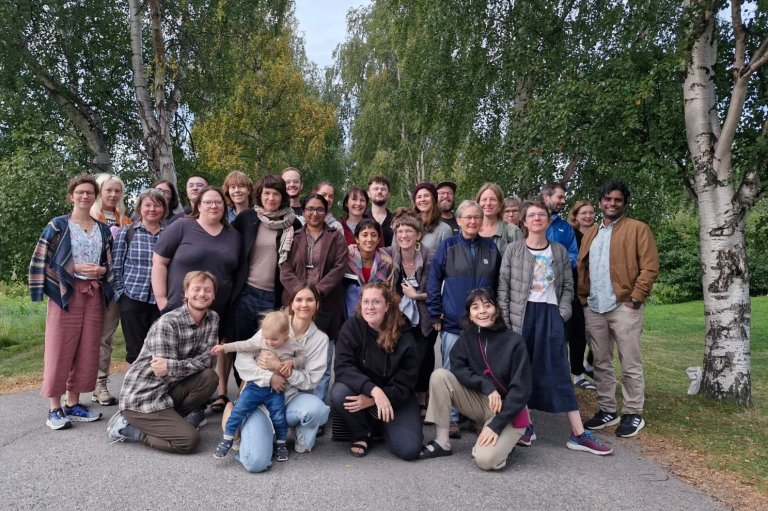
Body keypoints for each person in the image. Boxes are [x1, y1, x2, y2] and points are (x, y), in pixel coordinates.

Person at [497, 199, 612, 455]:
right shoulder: (514, 250)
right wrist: (506, 321)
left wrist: (562, 315)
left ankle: (579, 433)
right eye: (532, 216)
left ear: (548, 222)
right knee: (521, 370)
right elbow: (502, 287)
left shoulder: (558, 251)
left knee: (559, 369)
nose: (537, 219)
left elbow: (569, 286)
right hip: (522, 316)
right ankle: (525, 426)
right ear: (524, 222)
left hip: (550, 315)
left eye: (541, 215)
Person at [29, 174, 112, 429]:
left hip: (94, 293)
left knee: (87, 349)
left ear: (95, 196)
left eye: (89, 192)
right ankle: (54, 409)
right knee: (59, 348)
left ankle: (74, 404)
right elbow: (42, 258)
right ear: (71, 196)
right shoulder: (58, 225)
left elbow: (109, 263)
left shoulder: (103, 228)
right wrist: (71, 267)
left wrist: (103, 271)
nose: (85, 196)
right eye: (80, 192)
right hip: (66, 294)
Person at [105, 271, 220, 454]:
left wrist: (172, 365)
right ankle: (127, 428)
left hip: (169, 390)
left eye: (207, 290)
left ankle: (171, 422)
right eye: (196, 289)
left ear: (213, 296)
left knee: (209, 377)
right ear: (186, 294)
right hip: (143, 397)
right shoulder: (168, 323)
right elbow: (162, 372)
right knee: (189, 441)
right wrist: (174, 366)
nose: (202, 294)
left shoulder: (212, 319)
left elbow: (207, 361)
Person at [578, 179, 659, 438]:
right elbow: (583, 267)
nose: (612, 203)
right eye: (608, 199)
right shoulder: (591, 232)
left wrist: (636, 297)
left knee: (630, 362)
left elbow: (649, 267)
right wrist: (583, 298)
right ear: (601, 201)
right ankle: (607, 410)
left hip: (624, 305)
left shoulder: (638, 229)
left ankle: (633, 412)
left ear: (624, 203)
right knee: (601, 361)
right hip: (594, 306)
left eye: (618, 200)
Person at [418, 289, 532, 470]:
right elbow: (457, 365)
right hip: (483, 403)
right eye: (475, 307)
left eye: (487, 305)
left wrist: (496, 425)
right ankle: (442, 442)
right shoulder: (468, 337)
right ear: (470, 315)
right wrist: (486, 386)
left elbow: (521, 390)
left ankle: (503, 440)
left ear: (497, 310)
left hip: (509, 411)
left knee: (485, 460)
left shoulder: (515, 341)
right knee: (440, 376)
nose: (482, 311)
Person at [152, 185, 240, 413]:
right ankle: (163, 404)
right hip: (178, 307)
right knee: (174, 357)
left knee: (203, 358)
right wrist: (161, 298)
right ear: (198, 205)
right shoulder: (181, 226)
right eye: (208, 202)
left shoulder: (233, 235)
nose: (213, 206)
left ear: (225, 206)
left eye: (218, 202)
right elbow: (159, 262)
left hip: (216, 311)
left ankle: (195, 404)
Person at [234, 286, 330, 472]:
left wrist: (280, 368)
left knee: (317, 409)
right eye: (299, 300)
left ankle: (297, 434)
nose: (304, 304)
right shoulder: (275, 323)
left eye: (309, 300)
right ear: (291, 304)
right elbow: (243, 358)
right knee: (256, 463)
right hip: (260, 400)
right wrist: (269, 377)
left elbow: (311, 381)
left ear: (317, 305)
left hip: (291, 398)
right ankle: (251, 429)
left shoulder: (320, 339)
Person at [427, 200, 501, 438]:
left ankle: (477, 416)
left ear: (482, 221)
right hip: (453, 320)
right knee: (451, 369)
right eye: (467, 217)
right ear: (458, 221)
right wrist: (435, 311)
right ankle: (450, 419)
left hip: (484, 322)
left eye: (476, 217)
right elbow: (433, 280)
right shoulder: (448, 246)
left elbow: (499, 285)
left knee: (482, 370)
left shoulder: (490, 248)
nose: (472, 221)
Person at [228, 174, 299, 408]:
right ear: (260, 195)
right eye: (267, 193)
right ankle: (244, 396)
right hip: (246, 293)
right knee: (244, 348)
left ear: (283, 197)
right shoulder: (247, 218)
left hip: (273, 297)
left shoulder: (292, 224)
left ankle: (265, 397)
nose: (271, 198)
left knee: (269, 348)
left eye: (276, 193)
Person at [331, 282, 423, 459]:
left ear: (387, 306)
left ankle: (381, 425)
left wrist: (373, 400)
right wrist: (374, 391)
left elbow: (406, 383)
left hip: (396, 396)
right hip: (365, 389)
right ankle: (362, 432)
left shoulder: (405, 335)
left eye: (376, 302)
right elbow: (343, 367)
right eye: (366, 302)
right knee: (339, 393)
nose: (370, 307)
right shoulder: (352, 327)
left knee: (409, 449)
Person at [280, 194, 348, 403]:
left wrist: (316, 292)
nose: (314, 213)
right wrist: (301, 294)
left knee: (322, 359)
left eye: (319, 209)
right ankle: (292, 403)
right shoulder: (293, 235)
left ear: (326, 212)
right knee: (292, 355)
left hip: (326, 303)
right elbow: (284, 267)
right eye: (310, 209)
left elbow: (339, 266)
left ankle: (316, 405)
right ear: (304, 211)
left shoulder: (335, 236)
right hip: (296, 304)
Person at [212, 311, 304, 462]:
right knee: (239, 410)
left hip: (276, 389)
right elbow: (243, 345)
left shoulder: (292, 344)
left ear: (286, 334)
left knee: (279, 416)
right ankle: (227, 438)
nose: (268, 342)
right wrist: (224, 348)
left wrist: (292, 362)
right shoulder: (261, 339)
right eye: (266, 337)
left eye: (274, 339)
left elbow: (303, 357)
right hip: (256, 386)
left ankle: (281, 443)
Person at [90, 173, 134, 406]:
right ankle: (72, 386)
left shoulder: (125, 221)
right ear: (99, 191)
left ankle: (100, 384)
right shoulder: (88, 216)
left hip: (113, 286)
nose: (113, 194)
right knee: (83, 336)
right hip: (88, 285)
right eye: (109, 190)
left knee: (105, 337)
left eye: (117, 191)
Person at [113, 188, 167, 365]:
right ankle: (133, 391)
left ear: (163, 209)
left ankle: (155, 390)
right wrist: (121, 295)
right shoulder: (127, 233)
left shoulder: (170, 234)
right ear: (139, 208)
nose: (152, 209)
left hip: (160, 301)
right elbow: (116, 266)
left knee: (159, 350)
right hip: (132, 298)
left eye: (157, 205)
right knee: (135, 352)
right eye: (148, 205)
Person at [387, 210, 435, 411]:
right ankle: (403, 395)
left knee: (424, 357)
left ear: (418, 235)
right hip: (400, 318)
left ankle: (422, 397)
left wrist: (417, 296)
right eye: (400, 231)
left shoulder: (430, 257)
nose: (404, 235)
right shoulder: (388, 255)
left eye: (408, 231)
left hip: (425, 316)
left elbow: (438, 291)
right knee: (402, 356)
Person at [566, 199, 598, 388]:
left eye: (591, 212)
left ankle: (589, 364)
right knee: (577, 334)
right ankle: (577, 373)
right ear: (576, 216)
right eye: (583, 213)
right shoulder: (572, 235)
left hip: (596, 290)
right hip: (575, 290)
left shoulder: (599, 234)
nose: (587, 216)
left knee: (600, 333)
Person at [344, 219, 394, 319]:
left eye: (374, 235)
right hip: (350, 311)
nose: (369, 239)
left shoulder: (386, 262)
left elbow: (388, 292)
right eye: (364, 235)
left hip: (377, 312)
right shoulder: (347, 258)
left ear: (379, 239)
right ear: (357, 239)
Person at [476, 182, 522, 255]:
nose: (488, 203)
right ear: (478, 203)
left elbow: (520, 263)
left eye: (493, 199)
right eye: (484, 200)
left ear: (500, 204)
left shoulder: (512, 231)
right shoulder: (469, 229)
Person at [541, 182, 578, 268]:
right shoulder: (529, 222)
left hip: (559, 278)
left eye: (564, 198)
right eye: (560, 197)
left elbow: (573, 254)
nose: (563, 201)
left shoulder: (566, 227)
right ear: (546, 198)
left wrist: (560, 264)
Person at [411, 182, 453, 250]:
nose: (422, 199)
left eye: (426, 196)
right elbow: (395, 253)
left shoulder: (444, 229)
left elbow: (448, 258)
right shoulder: (406, 224)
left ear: (433, 199)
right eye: (419, 197)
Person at [367, 176, 394, 246]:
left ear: (388, 195)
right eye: (375, 189)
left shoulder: (396, 220)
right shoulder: (362, 219)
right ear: (369, 194)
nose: (379, 191)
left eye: (383, 189)